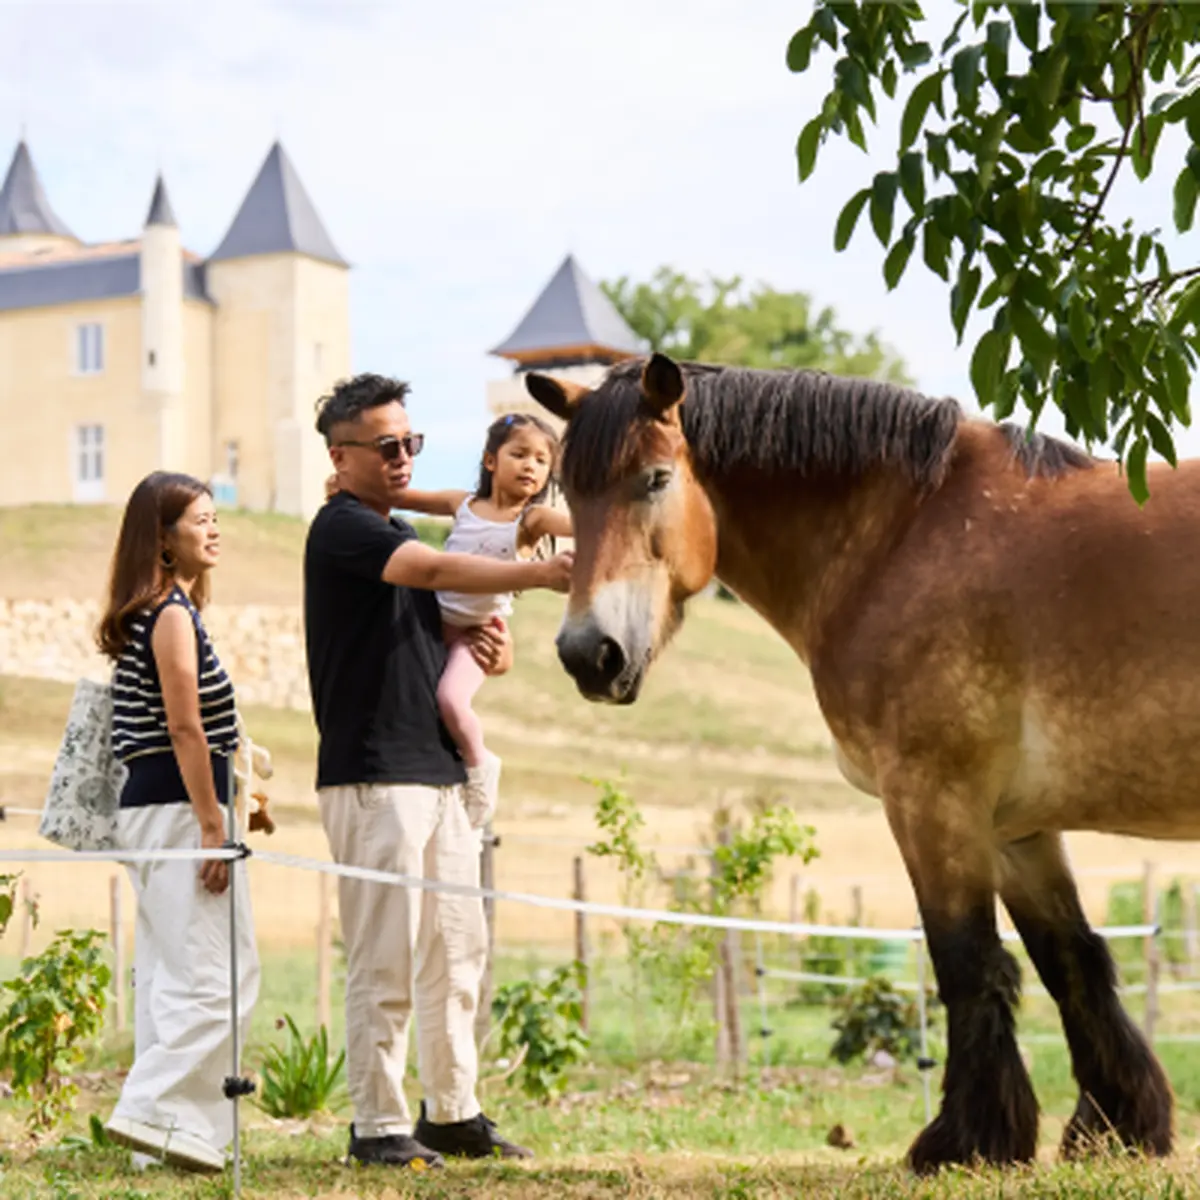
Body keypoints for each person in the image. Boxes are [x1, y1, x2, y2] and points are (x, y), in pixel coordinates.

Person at [305, 373, 572, 1169]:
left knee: (456, 954)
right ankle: (378, 1125)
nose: (402, 457)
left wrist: (496, 645)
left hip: (438, 770)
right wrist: (536, 575)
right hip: (374, 774)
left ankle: (453, 1113)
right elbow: (428, 575)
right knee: (384, 959)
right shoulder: (345, 529)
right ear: (340, 456)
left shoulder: (409, 532)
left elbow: (443, 626)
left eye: (410, 443)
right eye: (385, 445)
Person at [97, 472, 259, 1175]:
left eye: (216, 517)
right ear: (163, 539)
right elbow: (185, 727)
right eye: (200, 519)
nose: (214, 530)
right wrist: (211, 826)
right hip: (177, 810)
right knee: (222, 978)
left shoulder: (162, 611)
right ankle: (149, 1108)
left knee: (172, 977)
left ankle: (170, 1140)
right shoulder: (169, 616)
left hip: (159, 809)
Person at [387, 412, 573, 825]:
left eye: (541, 460)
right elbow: (405, 499)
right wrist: (348, 489)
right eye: (519, 454)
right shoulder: (463, 504)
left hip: (476, 636)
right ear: (491, 461)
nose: (530, 466)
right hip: (432, 627)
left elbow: (581, 526)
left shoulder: (532, 520)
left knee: (451, 701)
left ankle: (480, 766)